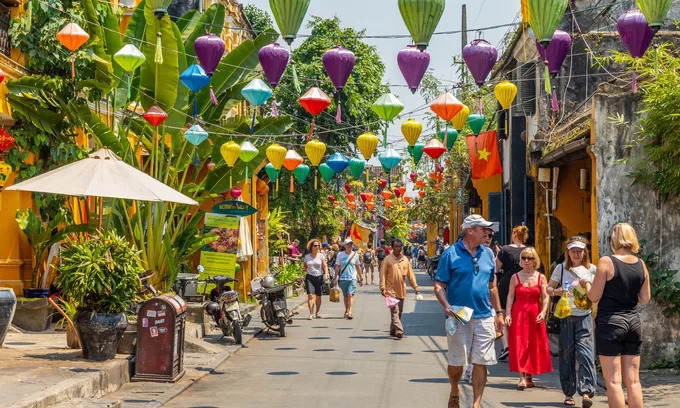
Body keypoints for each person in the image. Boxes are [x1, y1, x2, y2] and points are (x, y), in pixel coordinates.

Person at [434, 215, 504, 408]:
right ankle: (455, 388)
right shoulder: (450, 253)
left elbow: (492, 286)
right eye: (483, 229)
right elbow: (439, 285)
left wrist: (499, 313)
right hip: (458, 315)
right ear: (470, 230)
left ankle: (476, 404)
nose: (487, 233)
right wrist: (446, 305)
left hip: (484, 315)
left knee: (481, 361)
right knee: (457, 362)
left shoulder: (488, 254)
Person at [580, 223, 650, 408]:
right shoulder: (641, 264)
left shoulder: (606, 262)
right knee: (634, 380)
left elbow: (594, 297)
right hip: (633, 322)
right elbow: (644, 299)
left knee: (613, 382)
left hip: (610, 323)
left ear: (613, 239)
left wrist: (586, 284)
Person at [547, 236, 597, 407]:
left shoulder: (592, 269)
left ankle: (586, 392)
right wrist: (557, 291)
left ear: (584, 252)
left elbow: (597, 295)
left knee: (586, 354)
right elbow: (548, 288)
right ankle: (568, 393)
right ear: (568, 252)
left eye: (579, 250)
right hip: (566, 316)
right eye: (573, 250)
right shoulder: (560, 269)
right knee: (567, 355)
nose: (576, 253)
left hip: (585, 315)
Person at [505, 247, 553, 389]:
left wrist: (544, 312)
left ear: (535, 261)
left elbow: (545, 297)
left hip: (534, 313)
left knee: (533, 344)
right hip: (518, 313)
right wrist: (507, 313)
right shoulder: (515, 277)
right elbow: (510, 296)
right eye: (524, 258)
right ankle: (522, 377)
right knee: (520, 344)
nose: (526, 261)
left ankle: (529, 375)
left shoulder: (541, 277)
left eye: (530, 258)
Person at [495, 225, 529, 361]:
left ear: (514, 235)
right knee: (520, 314)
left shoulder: (504, 250)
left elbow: (496, 268)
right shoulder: (529, 250)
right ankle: (520, 344)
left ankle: (506, 346)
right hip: (524, 283)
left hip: (506, 283)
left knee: (502, 313)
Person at [380, 239, 420, 339]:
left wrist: (415, 287)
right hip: (390, 290)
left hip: (401, 290)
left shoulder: (405, 259)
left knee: (399, 312)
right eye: (396, 246)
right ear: (392, 247)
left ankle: (393, 329)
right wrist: (382, 288)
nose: (398, 248)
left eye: (399, 246)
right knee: (395, 311)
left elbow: (411, 275)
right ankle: (399, 330)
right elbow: (382, 274)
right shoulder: (387, 259)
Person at [334, 238, 363, 319]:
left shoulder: (355, 255)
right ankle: (346, 310)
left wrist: (360, 278)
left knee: (350, 295)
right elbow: (337, 267)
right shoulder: (340, 255)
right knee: (346, 296)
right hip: (343, 278)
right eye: (348, 244)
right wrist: (335, 278)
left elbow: (358, 267)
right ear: (345, 245)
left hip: (352, 278)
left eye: (351, 244)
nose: (350, 246)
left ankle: (349, 312)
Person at [303, 239, 329, 320]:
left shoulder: (321, 256)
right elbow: (305, 266)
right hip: (310, 277)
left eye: (318, 246)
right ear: (311, 247)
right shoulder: (307, 257)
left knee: (318, 296)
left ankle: (317, 311)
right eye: (315, 246)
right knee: (310, 295)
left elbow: (325, 266)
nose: (317, 247)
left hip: (319, 277)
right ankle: (311, 313)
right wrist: (304, 269)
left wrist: (326, 274)